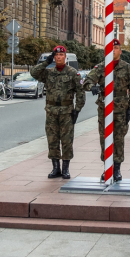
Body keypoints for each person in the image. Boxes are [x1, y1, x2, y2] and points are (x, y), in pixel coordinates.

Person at [84, 39, 130, 182]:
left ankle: (117, 169)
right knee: (105, 138)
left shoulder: (128, 68)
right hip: (104, 108)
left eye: (116, 48)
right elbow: (87, 81)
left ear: (120, 51)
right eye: (111, 48)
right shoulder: (101, 67)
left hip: (121, 109)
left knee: (119, 139)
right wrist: (92, 87)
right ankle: (107, 167)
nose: (113, 50)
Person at [31, 45, 85, 180]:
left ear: (65, 57)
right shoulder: (49, 72)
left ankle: (66, 169)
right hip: (51, 111)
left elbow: (80, 92)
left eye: (61, 55)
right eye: (56, 55)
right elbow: (34, 72)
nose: (59, 57)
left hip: (67, 112)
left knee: (67, 141)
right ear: (54, 58)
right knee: (52, 140)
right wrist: (46, 62)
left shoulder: (73, 72)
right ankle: (56, 168)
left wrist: (77, 109)